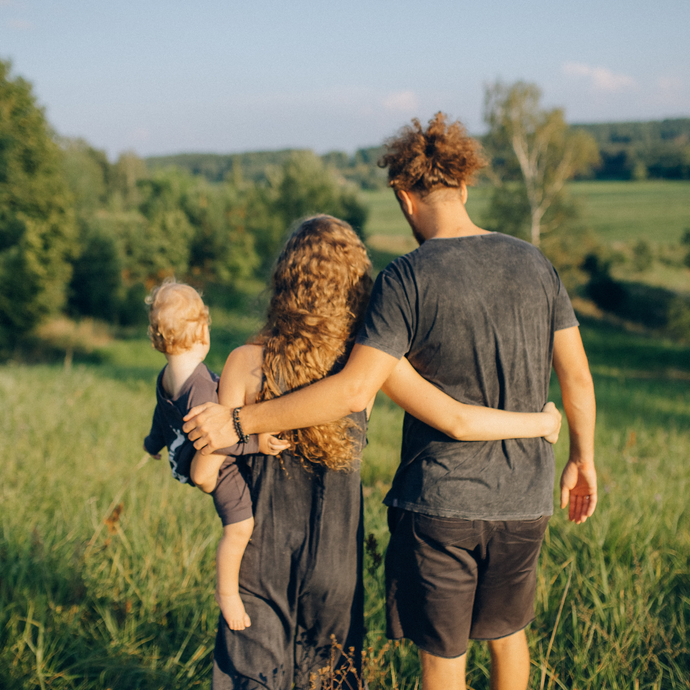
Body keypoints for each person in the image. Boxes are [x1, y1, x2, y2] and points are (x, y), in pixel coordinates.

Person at [184, 114, 596, 690]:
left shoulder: (407, 276)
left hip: (441, 501)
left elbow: (357, 387)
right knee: (509, 638)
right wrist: (580, 452)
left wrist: (238, 420)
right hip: (526, 497)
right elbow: (576, 377)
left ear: (404, 197)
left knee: (443, 656)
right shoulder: (534, 262)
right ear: (464, 185)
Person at [143, 279, 288, 632]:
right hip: (216, 470)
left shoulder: (166, 378)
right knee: (239, 528)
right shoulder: (203, 388)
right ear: (204, 334)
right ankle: (227, 592)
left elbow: (161, 417)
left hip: (184, 458)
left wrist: (152, 443)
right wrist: (257, 443)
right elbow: (220, 440)